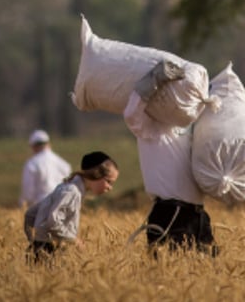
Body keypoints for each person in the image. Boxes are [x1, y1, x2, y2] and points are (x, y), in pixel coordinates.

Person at [123, 91, 217, 256]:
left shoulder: (191, 129)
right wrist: (147, 86)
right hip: (171, 212)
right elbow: (131, 114)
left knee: (207, 270)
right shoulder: (151, 127)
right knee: (174, 268)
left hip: (197, 214)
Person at [23, 151, 118, 263]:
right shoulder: (72, 191)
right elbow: (53, 221)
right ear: (96, 174)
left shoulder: (66, 187)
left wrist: (33, 241)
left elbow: (30, 214)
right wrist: (74, 240)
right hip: (47, 251)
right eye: (108, 182)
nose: (110, 188)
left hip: (42, 247)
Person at [20, 129, 72, 207]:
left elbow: (28, 192)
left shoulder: (32, 164)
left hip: (41, 205)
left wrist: (24, 204)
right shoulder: (64, 164)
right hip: (62, 204)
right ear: (48, 143)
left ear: (34, 146)